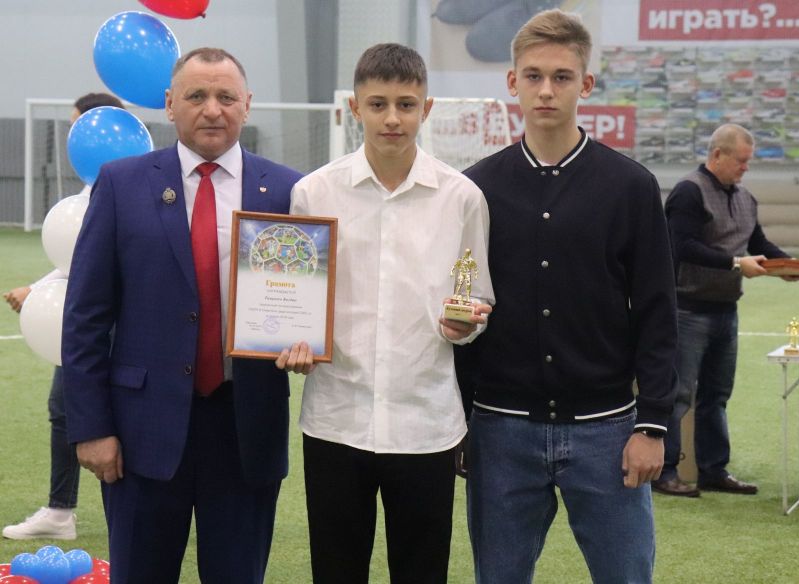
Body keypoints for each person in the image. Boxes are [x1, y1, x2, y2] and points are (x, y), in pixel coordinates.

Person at [61, 48, 309, 583]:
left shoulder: (289, 191)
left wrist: (306, 340)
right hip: (140, 432)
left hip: (246, 429)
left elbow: (308, 299)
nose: (212, 109)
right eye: (197, 96)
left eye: (226, 96)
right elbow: (85, 317)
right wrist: (92, 427)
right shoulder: (121, 184)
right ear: (170, 104)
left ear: (248, 104)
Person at [455, 10, 677, 582]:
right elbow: (462, 306)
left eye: (561, 76)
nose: (546, 90)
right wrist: (460, 421)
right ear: (513, 82)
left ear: (587, 84)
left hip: (607, 429)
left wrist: (653, 423)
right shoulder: (475, 188)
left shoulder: (631, 186)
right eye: (533, 76)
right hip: (501, 430)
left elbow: (657, 311)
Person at [290, 43, 494, 584]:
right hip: (335, 419)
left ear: (427, 109)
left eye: (406, 105)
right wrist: (292, 337)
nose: (392, 119)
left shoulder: (463, 198)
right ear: (354, 108)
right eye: (378, 104)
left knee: (422, 572)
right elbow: (295, 297)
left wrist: (467, 325)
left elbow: (476, 294)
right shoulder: (312, 193)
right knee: (335, 572)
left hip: (426, 423)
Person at [2, 92, 124, 541]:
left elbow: (88, 262)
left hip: (109, 317)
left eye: (78, 126)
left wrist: (35, 289)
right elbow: (77, 255)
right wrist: (38, 289)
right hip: (85, 314)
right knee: (64, 407)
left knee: (88, 407)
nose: (73, 137)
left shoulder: (120, 183)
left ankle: (65, 510)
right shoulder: (93, 187)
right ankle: (60, 510)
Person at [655, 123, 799, 497]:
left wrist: (787, 265)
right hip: (688, 310)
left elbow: (758, 242)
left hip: (725, 310)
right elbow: (682, 246)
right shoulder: (689, 192)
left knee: (717, 395)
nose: (746, 168)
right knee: (678, 394)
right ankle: (665, 471)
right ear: (717, 155)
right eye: (741, 161)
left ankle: (713, 470)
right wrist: (735, 263)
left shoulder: (745, 197)